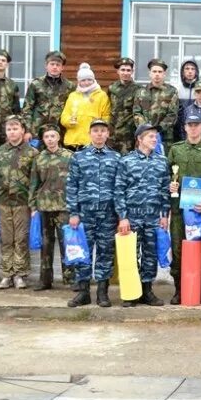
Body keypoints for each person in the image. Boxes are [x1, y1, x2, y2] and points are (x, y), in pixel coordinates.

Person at [66, 119, 122, 308]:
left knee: (105, 252)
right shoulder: (78, 157)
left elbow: (120, 187)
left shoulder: (116, 158)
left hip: (108, 214)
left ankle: (102, 292)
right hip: (85, 214)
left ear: (107, 134)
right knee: (83, 252)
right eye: (95, 131)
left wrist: (121, 214)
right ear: (90, 134)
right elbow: (71, 186)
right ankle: (83, 292)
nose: (99, 134)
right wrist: (73, 212)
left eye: (102, 131)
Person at [115, 123, 171, 307]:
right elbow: (119, 190)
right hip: (132, 216)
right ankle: (131, 292)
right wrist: (123, 217)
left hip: (153, 216)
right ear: (140, 139)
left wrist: (164, 215)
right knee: (130, 255)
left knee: (150, 255)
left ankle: (147, 290)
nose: (154, 140)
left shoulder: (161, 161)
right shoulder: (126, 161)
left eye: (155, 137)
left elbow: (164, 190)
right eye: (150, 137)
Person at [167, 112, 201, 305]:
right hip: (180, 211)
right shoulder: (176, 150)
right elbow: (167, 175)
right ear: (185, 127)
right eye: (190, 124)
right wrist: (169, 185)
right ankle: (179, 289)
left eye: (197, 124)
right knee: (178, 248)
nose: (194, 128)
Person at [0, 115, 39, 290]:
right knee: (6, 239)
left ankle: (19, 274)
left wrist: (33, 204)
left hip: (23, 202)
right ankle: (6, 275)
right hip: (3, 202)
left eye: (15, 128)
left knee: (20, 239)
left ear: (23, 131)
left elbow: (35, 180)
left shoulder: (32, 153)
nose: (12, 132)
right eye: (9, 129)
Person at [28, 125, 74, 291]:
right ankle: (45, 280)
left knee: (66, 243)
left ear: (58, 138)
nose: (50, 139)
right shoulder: (39, 158)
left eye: (53, 136)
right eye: (46, 137)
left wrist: (76, 206)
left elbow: (76, 183)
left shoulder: (69, 157)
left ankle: (70, 279)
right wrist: (32, 205)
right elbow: (34, 183)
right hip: (45, 207)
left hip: (64, 207)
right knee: (46, 245)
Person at [23, 50, 75, 142]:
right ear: (46, 66)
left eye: (58, 65)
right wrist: (27, 130)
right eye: (52, 64)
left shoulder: (69, 86)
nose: (55, 67)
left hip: (59, 132)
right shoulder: (36, 84)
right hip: (37, 131)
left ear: (62, 67)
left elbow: (73, 109)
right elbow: (27, 109)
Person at [60, 63, 111, 151]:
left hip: (92, 142)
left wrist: (100, 133)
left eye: (89, 80)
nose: (86, 83)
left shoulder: (101, 96)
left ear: (93, 80)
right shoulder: (73, 96)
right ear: (79, 82)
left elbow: (106, 117)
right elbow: (64, 117)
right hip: (73, 141)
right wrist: (69, 122)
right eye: (83, 80)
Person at [134, 58, 179, 153]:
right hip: (144, 137)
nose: (157, 74)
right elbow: (137, 113)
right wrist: (146, 129)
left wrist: (157, 130)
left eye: (160, 71)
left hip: (164, 137)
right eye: (154, 71)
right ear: (150, 73)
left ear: (164, 74)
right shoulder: (141, 92)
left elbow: (172, 114)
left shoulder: (171, 91)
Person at [108, 57, 139, 155]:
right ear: (118, 71)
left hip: (129, 136)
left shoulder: (138, 90)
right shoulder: (112, 88)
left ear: (132, 71)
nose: (125, 73)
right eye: (123, 70)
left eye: (128, 70)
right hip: (113, 135)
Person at [175, 59, 201, 139]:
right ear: (182, 72)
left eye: (192, 69)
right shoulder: (177, 90)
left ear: (196, 72)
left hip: (198, 129)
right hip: (180, 130)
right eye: (187, 69)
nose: (190, 71)